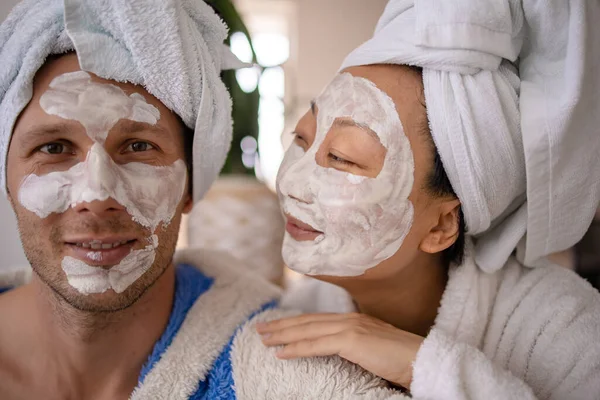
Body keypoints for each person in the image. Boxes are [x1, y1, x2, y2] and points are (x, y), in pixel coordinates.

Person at [0, 1, 410, 399]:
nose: (97, 194)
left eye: (138, 145)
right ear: (7, 178)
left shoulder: (285, 373)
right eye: (54, 149)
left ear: (191, 185)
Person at [258, 1, 600, 399]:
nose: (292, 184)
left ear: (441, 226)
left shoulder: (566, 332)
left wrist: (421, 367)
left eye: (343, 158)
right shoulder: (305, 309)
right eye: (302, 137)